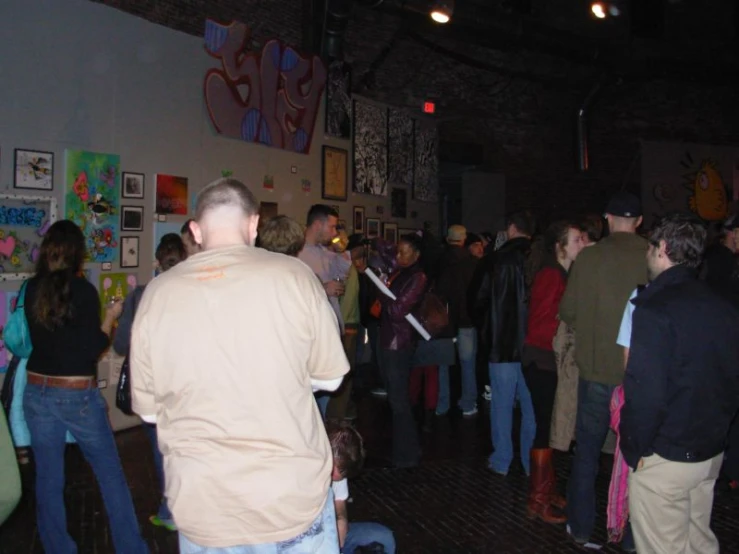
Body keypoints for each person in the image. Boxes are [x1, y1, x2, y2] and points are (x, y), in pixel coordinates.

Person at [130, 178, 349, 552]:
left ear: (196, 231)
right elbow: (330, 377)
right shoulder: (295, 276)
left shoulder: (158, 293)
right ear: (253, 225)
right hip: (287, 496)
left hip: (204, 504)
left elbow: (149, 412)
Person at [22, 220, 148, 553]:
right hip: (77, 395)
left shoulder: (32, 288)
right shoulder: (83, 291)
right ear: (77, 253)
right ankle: (131, 549)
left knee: (48, 481)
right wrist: (110, 317)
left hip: (36, 392)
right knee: (110, 475)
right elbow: (93, 347)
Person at [621, 213, 739, 554]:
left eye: (648, 248)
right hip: (708, 452)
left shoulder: (655, 308)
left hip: (667, 455)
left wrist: (635, 449)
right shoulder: (723, 307)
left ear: (662, 249)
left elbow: (645, 392)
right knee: (698, 542)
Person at [558, 191, 647, 547]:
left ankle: (581, 527)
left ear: (608, 218)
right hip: (638, 374)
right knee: (635, 458)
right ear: (639, 221)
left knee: (588, 452)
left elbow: (569, 312)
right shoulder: (653, 255)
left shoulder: (591, 258)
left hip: (596, 371)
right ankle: (630, 532)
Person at [113, 233, 188, 532]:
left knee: (161, 450)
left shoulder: (142, 295)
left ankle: (170, 510)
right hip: (187, 383)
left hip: (153, 385)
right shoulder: (197, 291)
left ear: (157, 262)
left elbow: (121, 345)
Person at [522, 221, 583, 523]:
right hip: (542, 360)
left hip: (548, 359)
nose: (581, 244)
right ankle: (538, 498)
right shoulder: (550, 274)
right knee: (545, 426)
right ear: (561, 246)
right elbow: (541, 322)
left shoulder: (561, 273)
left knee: (550, 425)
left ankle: (547, 489)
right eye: (576, 240)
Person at [472, 211, 537, 476]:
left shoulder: (494, 260)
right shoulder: (539, 260)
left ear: (510, 229)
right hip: (533, 345)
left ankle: (502, 459)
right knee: (531, 406)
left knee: (501, 403)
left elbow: (477, 300)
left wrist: (488, 330)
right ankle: (531, 460)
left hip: (501, 343)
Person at [377, 234, 427, 468]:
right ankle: (407, 449)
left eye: (405, 252)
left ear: (417, 255)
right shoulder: (401, 272)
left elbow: (397, 309)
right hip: (390, 340)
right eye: (399, 251)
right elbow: (383, 246)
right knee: (396, 399)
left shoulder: (417, 276)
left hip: (399, 343)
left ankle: (406, 454)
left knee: (399, 401)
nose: (400, 256)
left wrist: (382, 291)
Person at [329, 424, 396, 553]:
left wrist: (341, 519)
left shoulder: (340, 463)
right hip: (306, 541)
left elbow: (339, 502)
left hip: (331, 534)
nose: (336, 478)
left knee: (384, 538)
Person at [435, 225, 480, 417]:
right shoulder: (473, 263)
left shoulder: (439, 261)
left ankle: (442, 403)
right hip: (467, 319)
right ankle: (468, 403)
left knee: (441, 365)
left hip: (443, 319)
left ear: (448, 239)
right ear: (464, 239)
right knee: (468, 363)